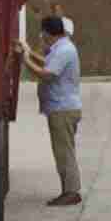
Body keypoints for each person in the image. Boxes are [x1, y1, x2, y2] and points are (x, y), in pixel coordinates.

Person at [18, 12, 80, 207]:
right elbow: (47, 63)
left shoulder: (64, 50)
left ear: (48, 32)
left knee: (64, 152)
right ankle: (69, 190)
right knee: (64, 151)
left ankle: (71, 192)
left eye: (43, 32)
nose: (41, 36)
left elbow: (47, 74)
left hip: (62, 109)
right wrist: (29, 53)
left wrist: (24, 60)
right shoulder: (60, 48)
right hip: (61, 108)